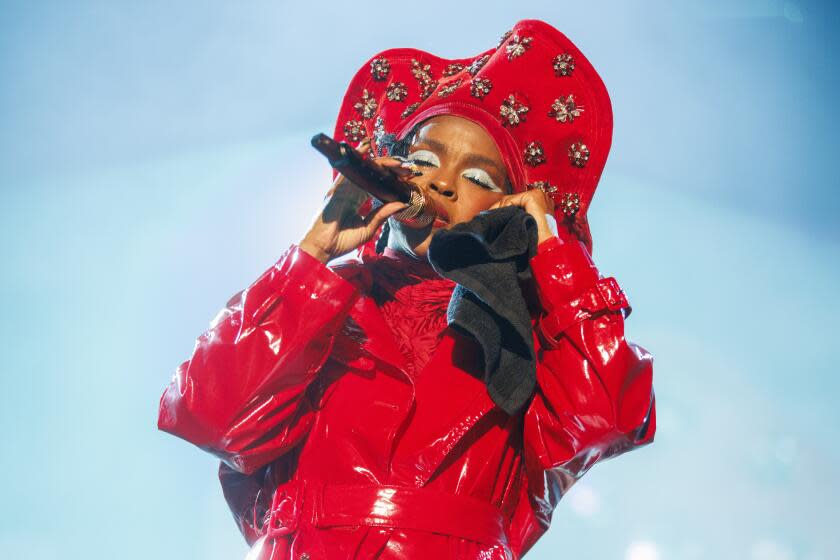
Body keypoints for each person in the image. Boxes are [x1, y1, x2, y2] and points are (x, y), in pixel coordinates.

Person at [157, 19, 656, 560]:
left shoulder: (528, 336)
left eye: (480, 180)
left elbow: (609, 414)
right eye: (422, 163)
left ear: (511, 211)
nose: (441, 184)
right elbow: (210, 416)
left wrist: (552, 255)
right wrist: (316, 252)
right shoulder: (318, 302)